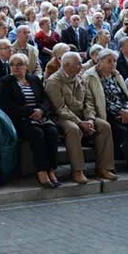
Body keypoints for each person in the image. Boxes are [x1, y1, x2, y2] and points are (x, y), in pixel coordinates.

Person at [45, 52, 117, 184]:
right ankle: (77, 170)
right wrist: (79, 123)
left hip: (82, 115)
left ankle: (104, 168)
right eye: (78, 64)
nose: (81, 66)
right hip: (61, 118)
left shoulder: (80, 78)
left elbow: (88, 101)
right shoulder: (53, 81)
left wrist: (89, 119)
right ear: (66, 65)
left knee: (104, 126)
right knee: (73, 129)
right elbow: (60, 108)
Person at [0, 54, 59, 188]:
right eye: (12, 64)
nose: (15, 67)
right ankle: (41, 171)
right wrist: (30, 112)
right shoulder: (6, 81)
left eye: (19, 64)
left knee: (52, 132)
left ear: (26, 66)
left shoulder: (34, 79)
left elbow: (45, 99)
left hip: (39, 117)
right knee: (37, 134)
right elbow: (6, 105)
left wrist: (41, 110)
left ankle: (51, 170)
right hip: (20, 120)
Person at [83, 49, 128, 170]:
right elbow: (98, 100)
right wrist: (120, 112)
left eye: (114, 61)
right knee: (120, 131)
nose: (113, 64)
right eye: (109, 61)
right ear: (99, 61)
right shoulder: (90, 76)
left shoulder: (116, 75)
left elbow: (125, 95)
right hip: (105, 112)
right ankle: (109, 163)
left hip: (124, 111)